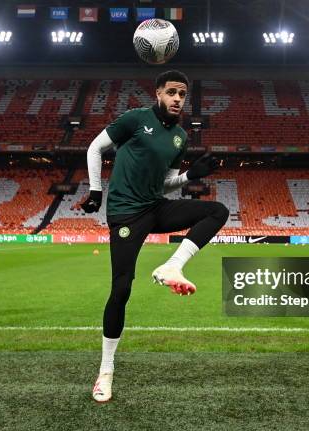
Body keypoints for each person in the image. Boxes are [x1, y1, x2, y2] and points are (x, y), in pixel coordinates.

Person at [81, 70, 229, 402]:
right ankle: (105, 371)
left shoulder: (179, 138)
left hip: (155, 206)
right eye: (172, 92)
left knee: (217, 211)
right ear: (158, 93)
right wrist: (94, 190)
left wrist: (192, 174)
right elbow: (95, 147)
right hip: (126, 212)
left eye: (183, 94)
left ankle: (172, 266)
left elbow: (165, 184)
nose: (178, 99)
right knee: (121, 288)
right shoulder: (135, 119)